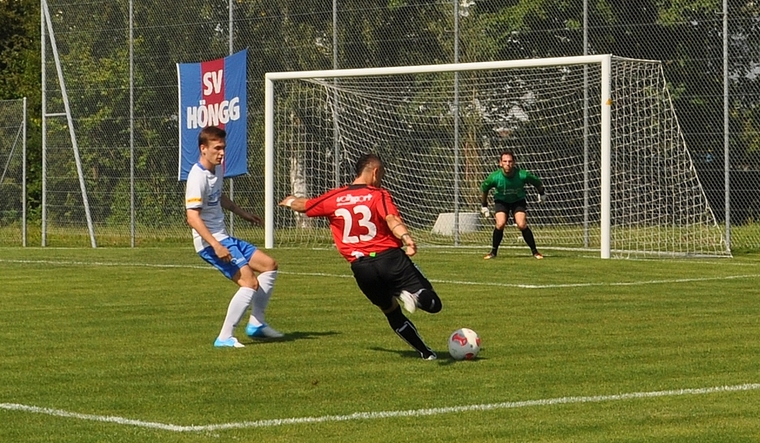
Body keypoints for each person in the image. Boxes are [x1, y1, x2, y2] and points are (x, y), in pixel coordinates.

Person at [279, 153, 441, 360]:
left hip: (361, 268)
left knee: (391, 312)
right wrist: (406, 237)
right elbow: (391, 218)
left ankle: (426, 353)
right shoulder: (378, 194)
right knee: (434, 304)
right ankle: (413, 295)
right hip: (390, 259)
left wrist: (291, 201)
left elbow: (305, 206)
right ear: (375, 172)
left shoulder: (335, 197)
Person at [185, 125, 283, 348]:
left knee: (269, 265)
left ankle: (257, 324)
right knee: (249, 282)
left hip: (224, 237)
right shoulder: (197, 177)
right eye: (217, 148)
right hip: (211, 242)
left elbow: (220, 197)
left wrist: (243, 213)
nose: (221, 153)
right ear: (203, 149)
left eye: (223, 148)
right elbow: (192, 217)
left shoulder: (216, 170)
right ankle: (225, 337)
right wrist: (215, 245)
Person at [480, 150, 545, 260]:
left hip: (517, 201)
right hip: (501, 201)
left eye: (510, 161)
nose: (507, 164)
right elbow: (484, 189)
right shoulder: (494, 177)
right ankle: (493, 252)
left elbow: (537, 182)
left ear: (514, 163)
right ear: (500, 163)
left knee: (521, 224)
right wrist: (484, 205)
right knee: (500, 224)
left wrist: (542, 193)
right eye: (505, 161)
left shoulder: (522, 175)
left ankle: (535, 251)